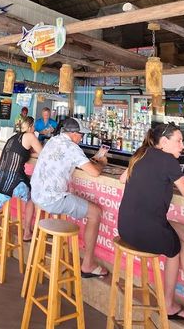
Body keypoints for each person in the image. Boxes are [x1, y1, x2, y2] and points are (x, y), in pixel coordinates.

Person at [118, 123, 184, 322]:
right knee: (174, 249)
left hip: (125, 228)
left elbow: (121, 178)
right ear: (163, 142)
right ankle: (169, 303)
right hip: (146, 231)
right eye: (178, 141)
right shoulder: (168, 161)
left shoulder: (140, 154)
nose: (182, 146)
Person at [31, 117, 108, 278]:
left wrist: (92, 161)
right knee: (96, 213)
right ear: (73, 134)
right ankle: (88, 265)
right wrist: (101, 163)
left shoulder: (53, 140)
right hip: (52, 199)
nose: (82, 138)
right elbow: (94, 172)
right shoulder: (73, 148)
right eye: (81, 134)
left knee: (90, 210)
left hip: (36, 195)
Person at [0, 116, 42, 240]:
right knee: (32, 196)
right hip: (13, 182)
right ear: (30, 127)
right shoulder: (30, 136)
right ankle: (27, 232)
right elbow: (43, 153)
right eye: (33, 126)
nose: (34, 129)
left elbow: (23, 152)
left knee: (29, 180)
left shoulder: (13, 137)